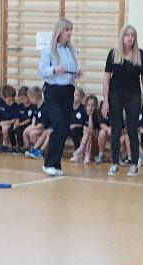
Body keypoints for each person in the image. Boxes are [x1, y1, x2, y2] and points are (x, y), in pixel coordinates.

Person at [102, 24, 143, 176]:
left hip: (133, 95)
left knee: (132, 130)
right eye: (127, 35)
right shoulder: (113, 54)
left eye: (132, 35)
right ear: (122, 37)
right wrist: (105, 100)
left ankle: (134, 164)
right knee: (115, 130)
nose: (130, 38)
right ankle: (115, 163)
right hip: (115, 95)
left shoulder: (140, 54)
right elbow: (106, 78)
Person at [38, 17, 81, 176]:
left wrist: (77, 73)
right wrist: (54, 70)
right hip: (53, 91)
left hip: (68, 91)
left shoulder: (71, 51)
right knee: (60, 126)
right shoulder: (49, 50)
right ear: (59, 32)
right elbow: (41, 71)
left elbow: (72, 72)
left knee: (64, 128)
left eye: (71, 30)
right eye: (66, 30)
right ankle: (49, 162)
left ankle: (55, 164)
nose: (69, 33)